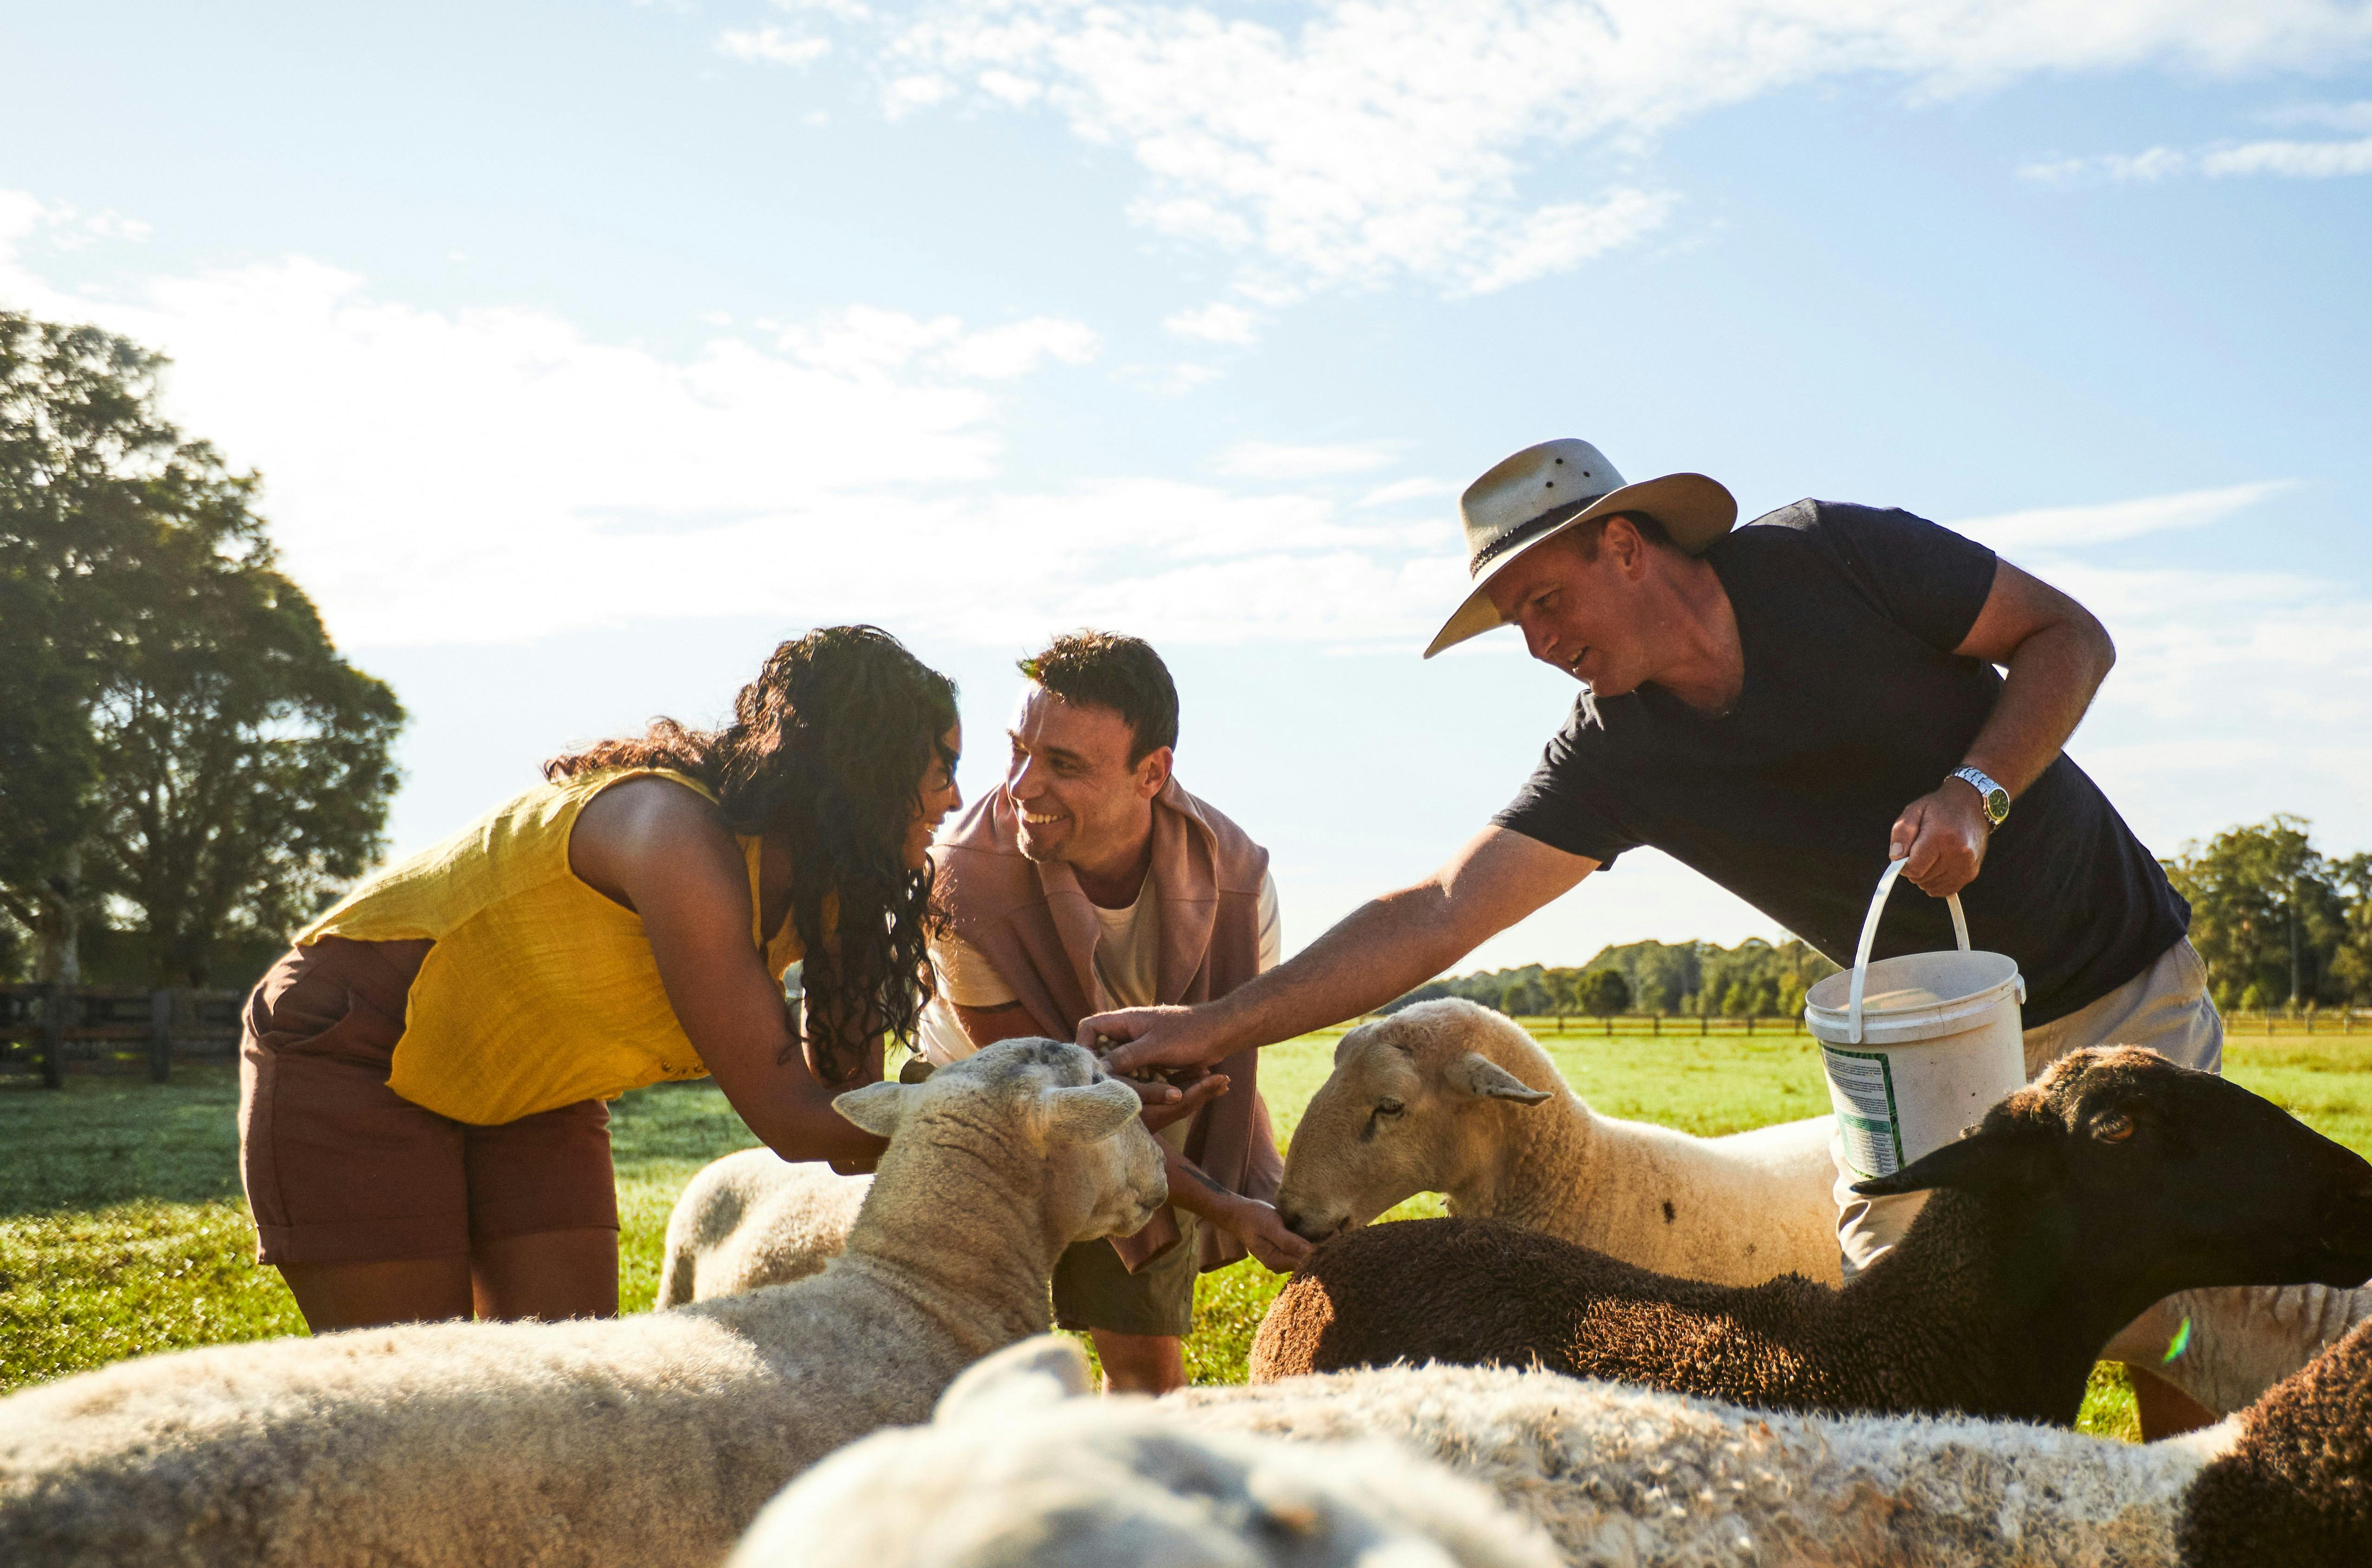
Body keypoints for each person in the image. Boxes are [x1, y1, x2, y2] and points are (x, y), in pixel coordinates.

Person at [1087, 438, 2225, 1435]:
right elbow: (1439, 907)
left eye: (1542, 602)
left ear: (1622, 547)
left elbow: (2066, 634)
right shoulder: (1613, 750)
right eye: (1512, 621)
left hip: (2109, 977)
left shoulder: (1833, 557)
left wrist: (1978, 786)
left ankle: (2187, 1510)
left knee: (2171, 1301)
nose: (1534, 642)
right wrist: (1213, 1023)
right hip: (1914, 1042)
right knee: (1898, 1323)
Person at [237, 625, 968, 1333]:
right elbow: (789, 1117)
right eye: (943, 770)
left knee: (567, 1395)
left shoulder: (837, 893)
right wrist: (990, 1116)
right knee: (421, 1400)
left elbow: (847, 1128)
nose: (956, 801)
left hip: (537, 1083)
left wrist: (982, 1116)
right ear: (869, 767)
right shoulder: (671, 832)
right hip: (360, 1045)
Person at [919, 630, 1309, 1393]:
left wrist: (1264, 1189)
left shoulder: (1239, 882)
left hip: (1147, 1123)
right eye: (1018, 750)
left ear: (1152, 774)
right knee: (974, 1376)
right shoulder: (962, 881)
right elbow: (1046, 1096)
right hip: (986, 1112)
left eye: (1063, 765)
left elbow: (1237, 1055)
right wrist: (1226, 1206)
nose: (1022, 788)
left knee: (1148, 1378)